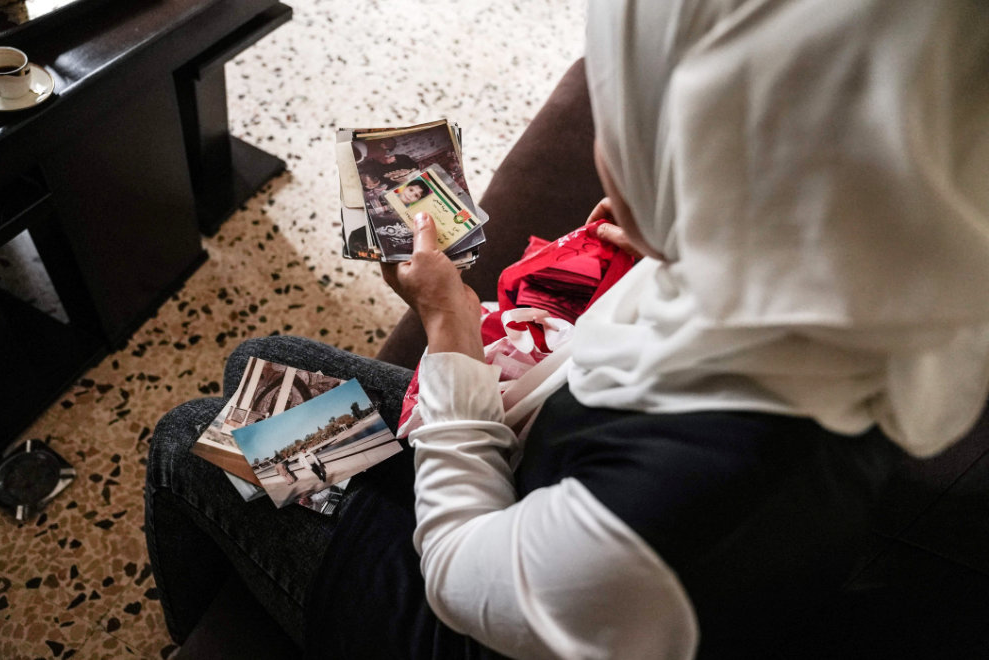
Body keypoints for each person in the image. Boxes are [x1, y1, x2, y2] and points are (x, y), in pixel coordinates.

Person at [145, 1, 989, 657]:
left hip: (463, 612)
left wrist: (448, 320)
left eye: (633, 129)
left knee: (191, 438)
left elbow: (455, 562)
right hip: (545, 508)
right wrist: (678, 247)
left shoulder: (689, 500)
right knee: (264, 361)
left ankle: (217, 630)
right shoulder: (871, 286)